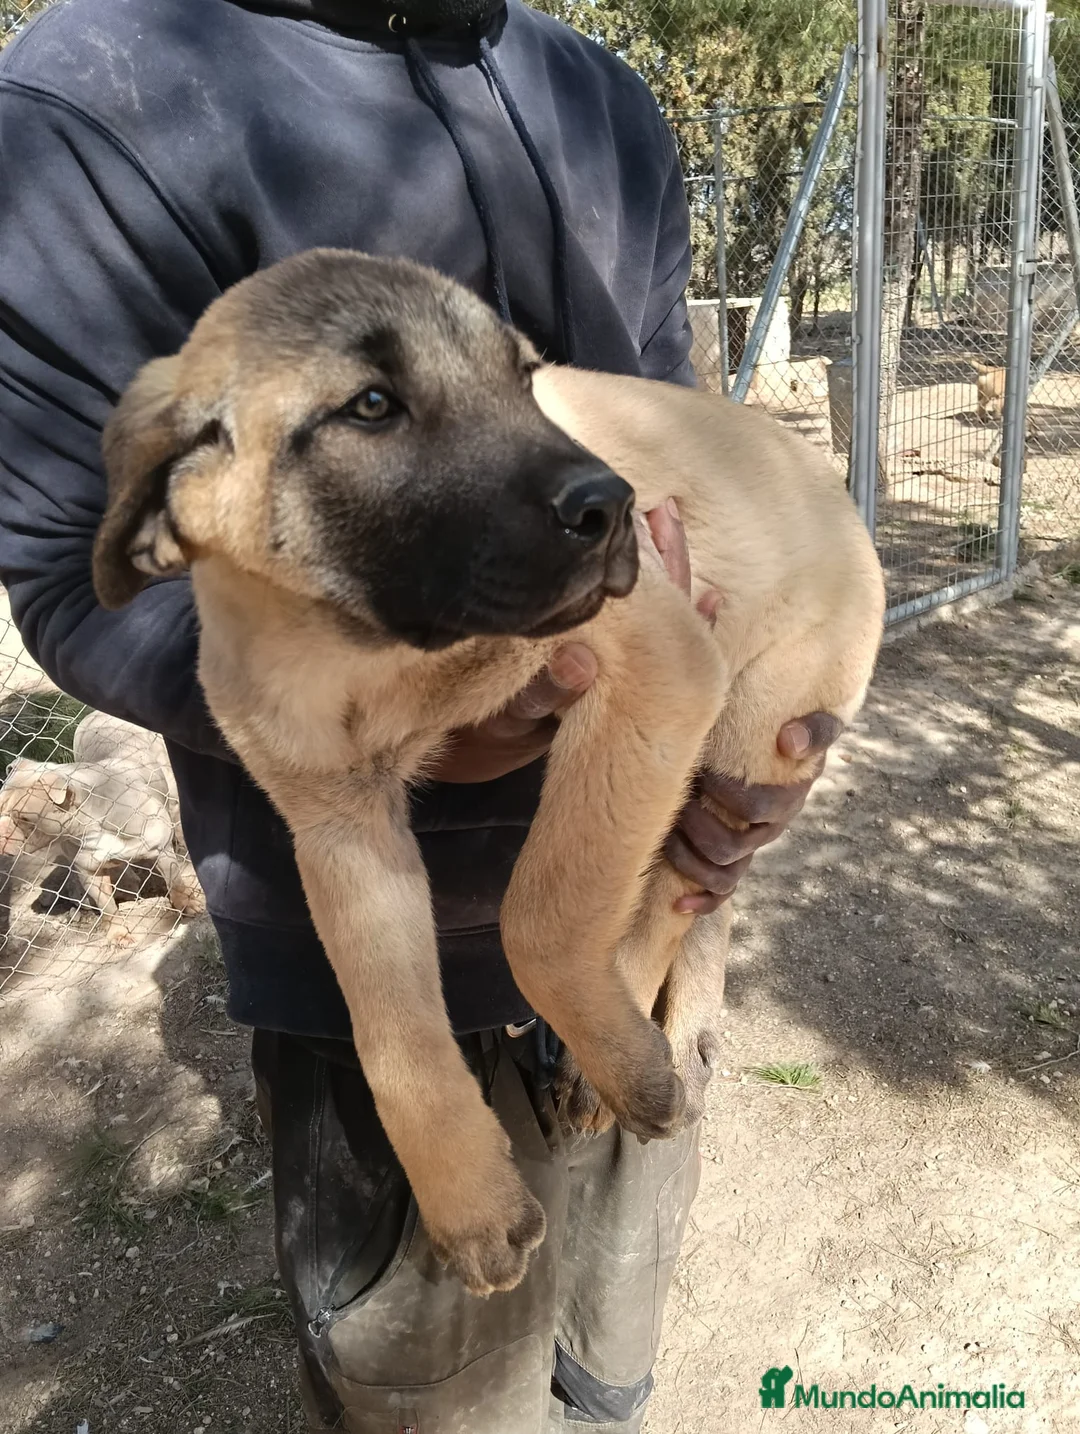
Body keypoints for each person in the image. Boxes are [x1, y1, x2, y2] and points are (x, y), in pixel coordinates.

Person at [0, 0, 839, 1428]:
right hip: (365, 997)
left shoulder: (605, 104)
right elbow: (77, 578)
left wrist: (729, 778)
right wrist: (417, 725)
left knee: (609, 1353)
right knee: (434, 1382)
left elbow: (645, 472)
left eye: (506, 379)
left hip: (636, 922)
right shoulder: (95, 103)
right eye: (378, 405)